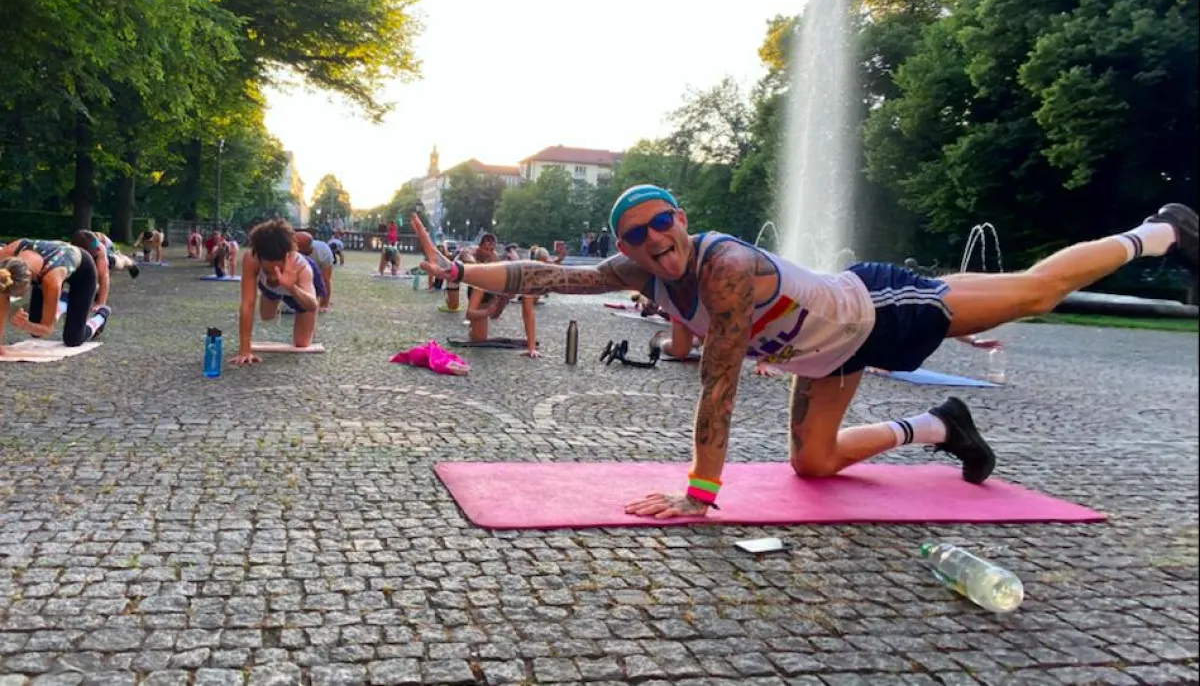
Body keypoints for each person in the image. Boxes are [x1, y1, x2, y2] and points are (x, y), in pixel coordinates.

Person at [412, 186, 1199, 517]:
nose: (655, 239)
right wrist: (455, 268)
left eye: (663, 222)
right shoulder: (633, 269)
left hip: (880, 312)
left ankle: (1161, 232)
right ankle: (940, 425)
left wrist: (698, 493)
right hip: (826, 359)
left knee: (1029, 291)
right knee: (813, 466)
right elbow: (544, 274)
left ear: (681, 219)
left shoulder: (722, 268)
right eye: (638, 236)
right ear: (627, 246)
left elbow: (718, 383)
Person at [232, 219, 323, 365]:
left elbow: (311, 305)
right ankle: (275, 296)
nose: (274, 276)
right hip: (270, 288)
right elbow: (247, 304)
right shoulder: (251, 258)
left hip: (299, 290)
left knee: (301, 343)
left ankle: (292, 304)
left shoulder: (303, 267)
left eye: (279, 270)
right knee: (266, 316)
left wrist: (292, 287)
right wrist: (244, 350)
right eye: (268, 271)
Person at [0, 238, 111, 349]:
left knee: (73, 338)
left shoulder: (51, 281)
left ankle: (102, 315)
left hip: (82, 272)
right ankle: (62, 301)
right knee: (36, 332)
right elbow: (3, 296)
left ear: (30, 277)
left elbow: (48, 328)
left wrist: (25, 325)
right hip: (47, 267)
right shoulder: (6, 258)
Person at [68, 229, 137, 309]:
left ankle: (128, 261)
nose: (96, 249)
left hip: (106, 246)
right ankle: (96, 291)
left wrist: (101, 303)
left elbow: (104, 276)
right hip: (90, 246)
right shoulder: (70, 250)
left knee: (115, 263)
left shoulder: (99, 249)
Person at [295, 231, 334, 311]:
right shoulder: (291, 250)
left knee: (323, 280)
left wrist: (324, 305)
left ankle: (324, 303)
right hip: (300, 270)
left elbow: (326, 280)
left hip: (318, 267)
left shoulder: (323, 251)